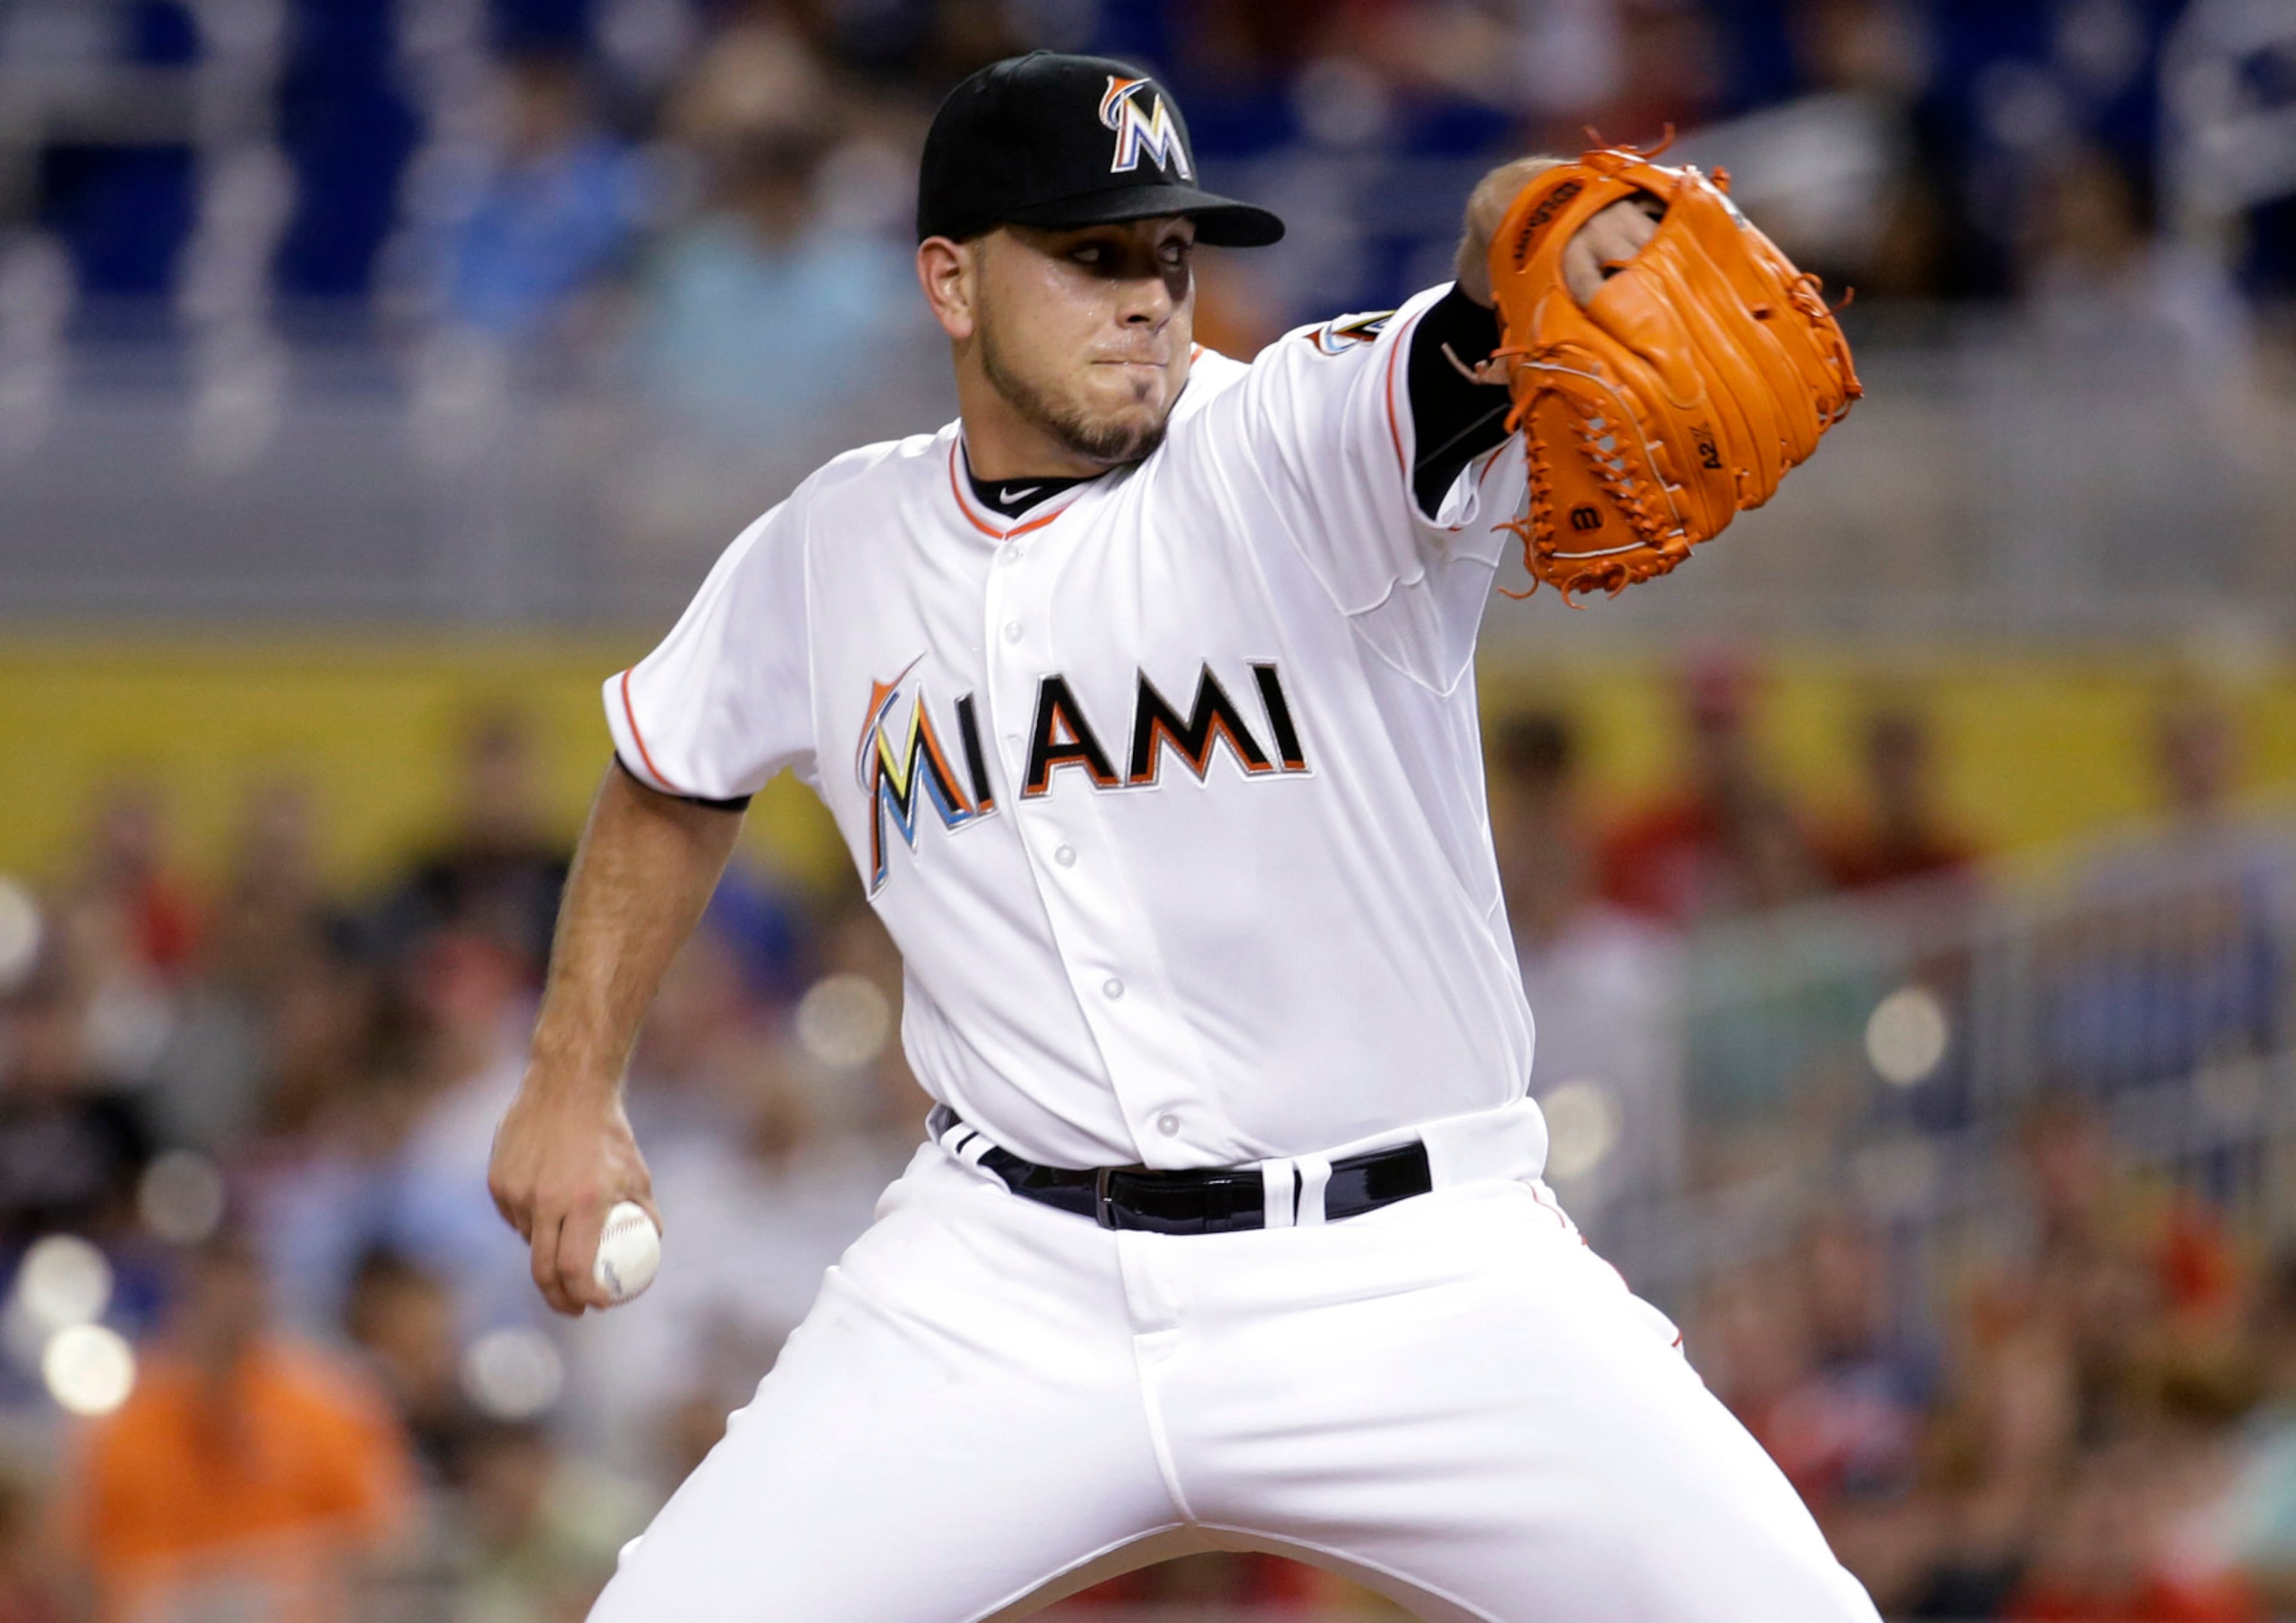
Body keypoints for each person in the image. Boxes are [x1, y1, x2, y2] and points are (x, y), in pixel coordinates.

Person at [487, 51, 1881, 1621]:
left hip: (1413, 1268)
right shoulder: (830, 548)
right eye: (1090, 256)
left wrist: (1542, 218)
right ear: (950, 281)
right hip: (1008, 1279)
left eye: (1166, 250)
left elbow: (1482, 294)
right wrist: (568, 1079)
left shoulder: (1292, 446)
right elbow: (673, 771)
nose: (1147, 293)